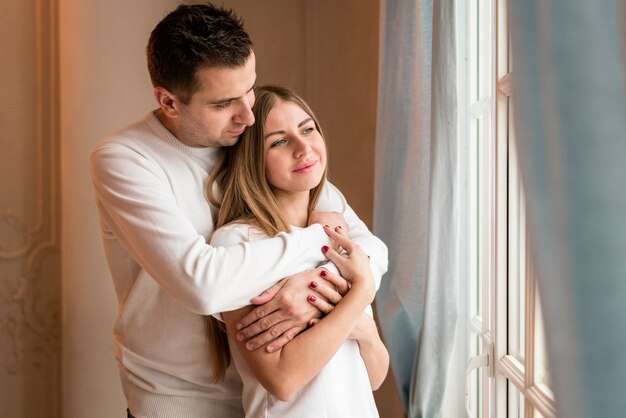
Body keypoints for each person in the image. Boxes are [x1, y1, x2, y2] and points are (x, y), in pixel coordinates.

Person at [88, 3, 388, 418]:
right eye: (225, 102)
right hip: (180, 402)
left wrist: (320, 293)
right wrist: (322, 251)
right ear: (169, 102)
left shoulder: (249, 145)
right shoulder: (126, 160)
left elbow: (371, 249)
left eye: (250, 89)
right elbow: (203, 284)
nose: (248, 114)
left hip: (266, 396)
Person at [207, 85, 389, 418]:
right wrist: (358, 292)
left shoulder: (339, 238)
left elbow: (374, 377)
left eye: (308, 129)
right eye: (279, 141)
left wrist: (362, 328)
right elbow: (283, 380)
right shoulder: (238, 244)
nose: (304, 148)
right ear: (251, 160)